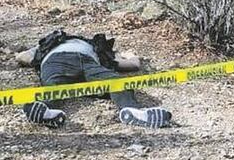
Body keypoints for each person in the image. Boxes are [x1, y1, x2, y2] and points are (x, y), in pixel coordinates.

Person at [20, 30, 172, 129]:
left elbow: (132, 65)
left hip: (88, 64)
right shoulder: (50, 44)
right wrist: (32, 53)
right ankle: (44, 111)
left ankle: (132, 110)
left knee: (117, 82)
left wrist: (132, 56)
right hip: (57, 60)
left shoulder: (98, 50)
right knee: (53, 86)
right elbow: (23, 57)